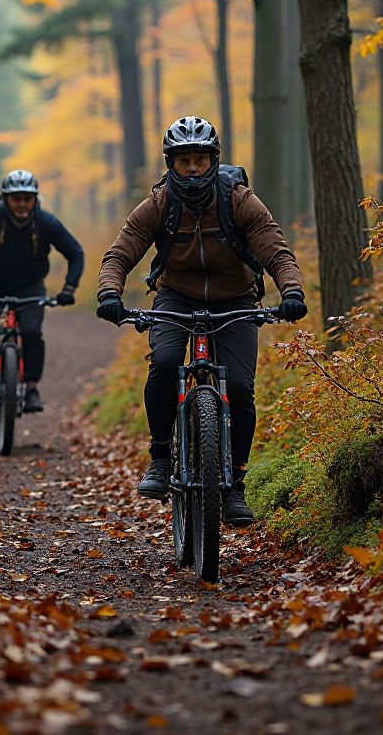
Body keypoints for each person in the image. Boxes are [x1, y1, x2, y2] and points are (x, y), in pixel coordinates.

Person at [95, 116, 307, 526]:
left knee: (241, 388)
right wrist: (109, 294)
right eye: (183, 161)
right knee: (167, 361)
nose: (192, 168)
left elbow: (276, 251)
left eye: (200, 160)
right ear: (170, 164)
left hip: (235, 300)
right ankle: (159, 457)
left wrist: (292, 292)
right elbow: (119, 253)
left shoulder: (239, 201)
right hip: (176, 297)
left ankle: (237, 487)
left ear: (214, 161)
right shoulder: (159, 204)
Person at [0, 169, 84, 412]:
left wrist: (69, 288)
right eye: (16, 198)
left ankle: (31, 388)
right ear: (5, 198)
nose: (22, 204)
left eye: (27, 198)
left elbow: (75, 253)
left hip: (30, 285)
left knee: (31, 331)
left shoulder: (45, 222)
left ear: (35, 199)